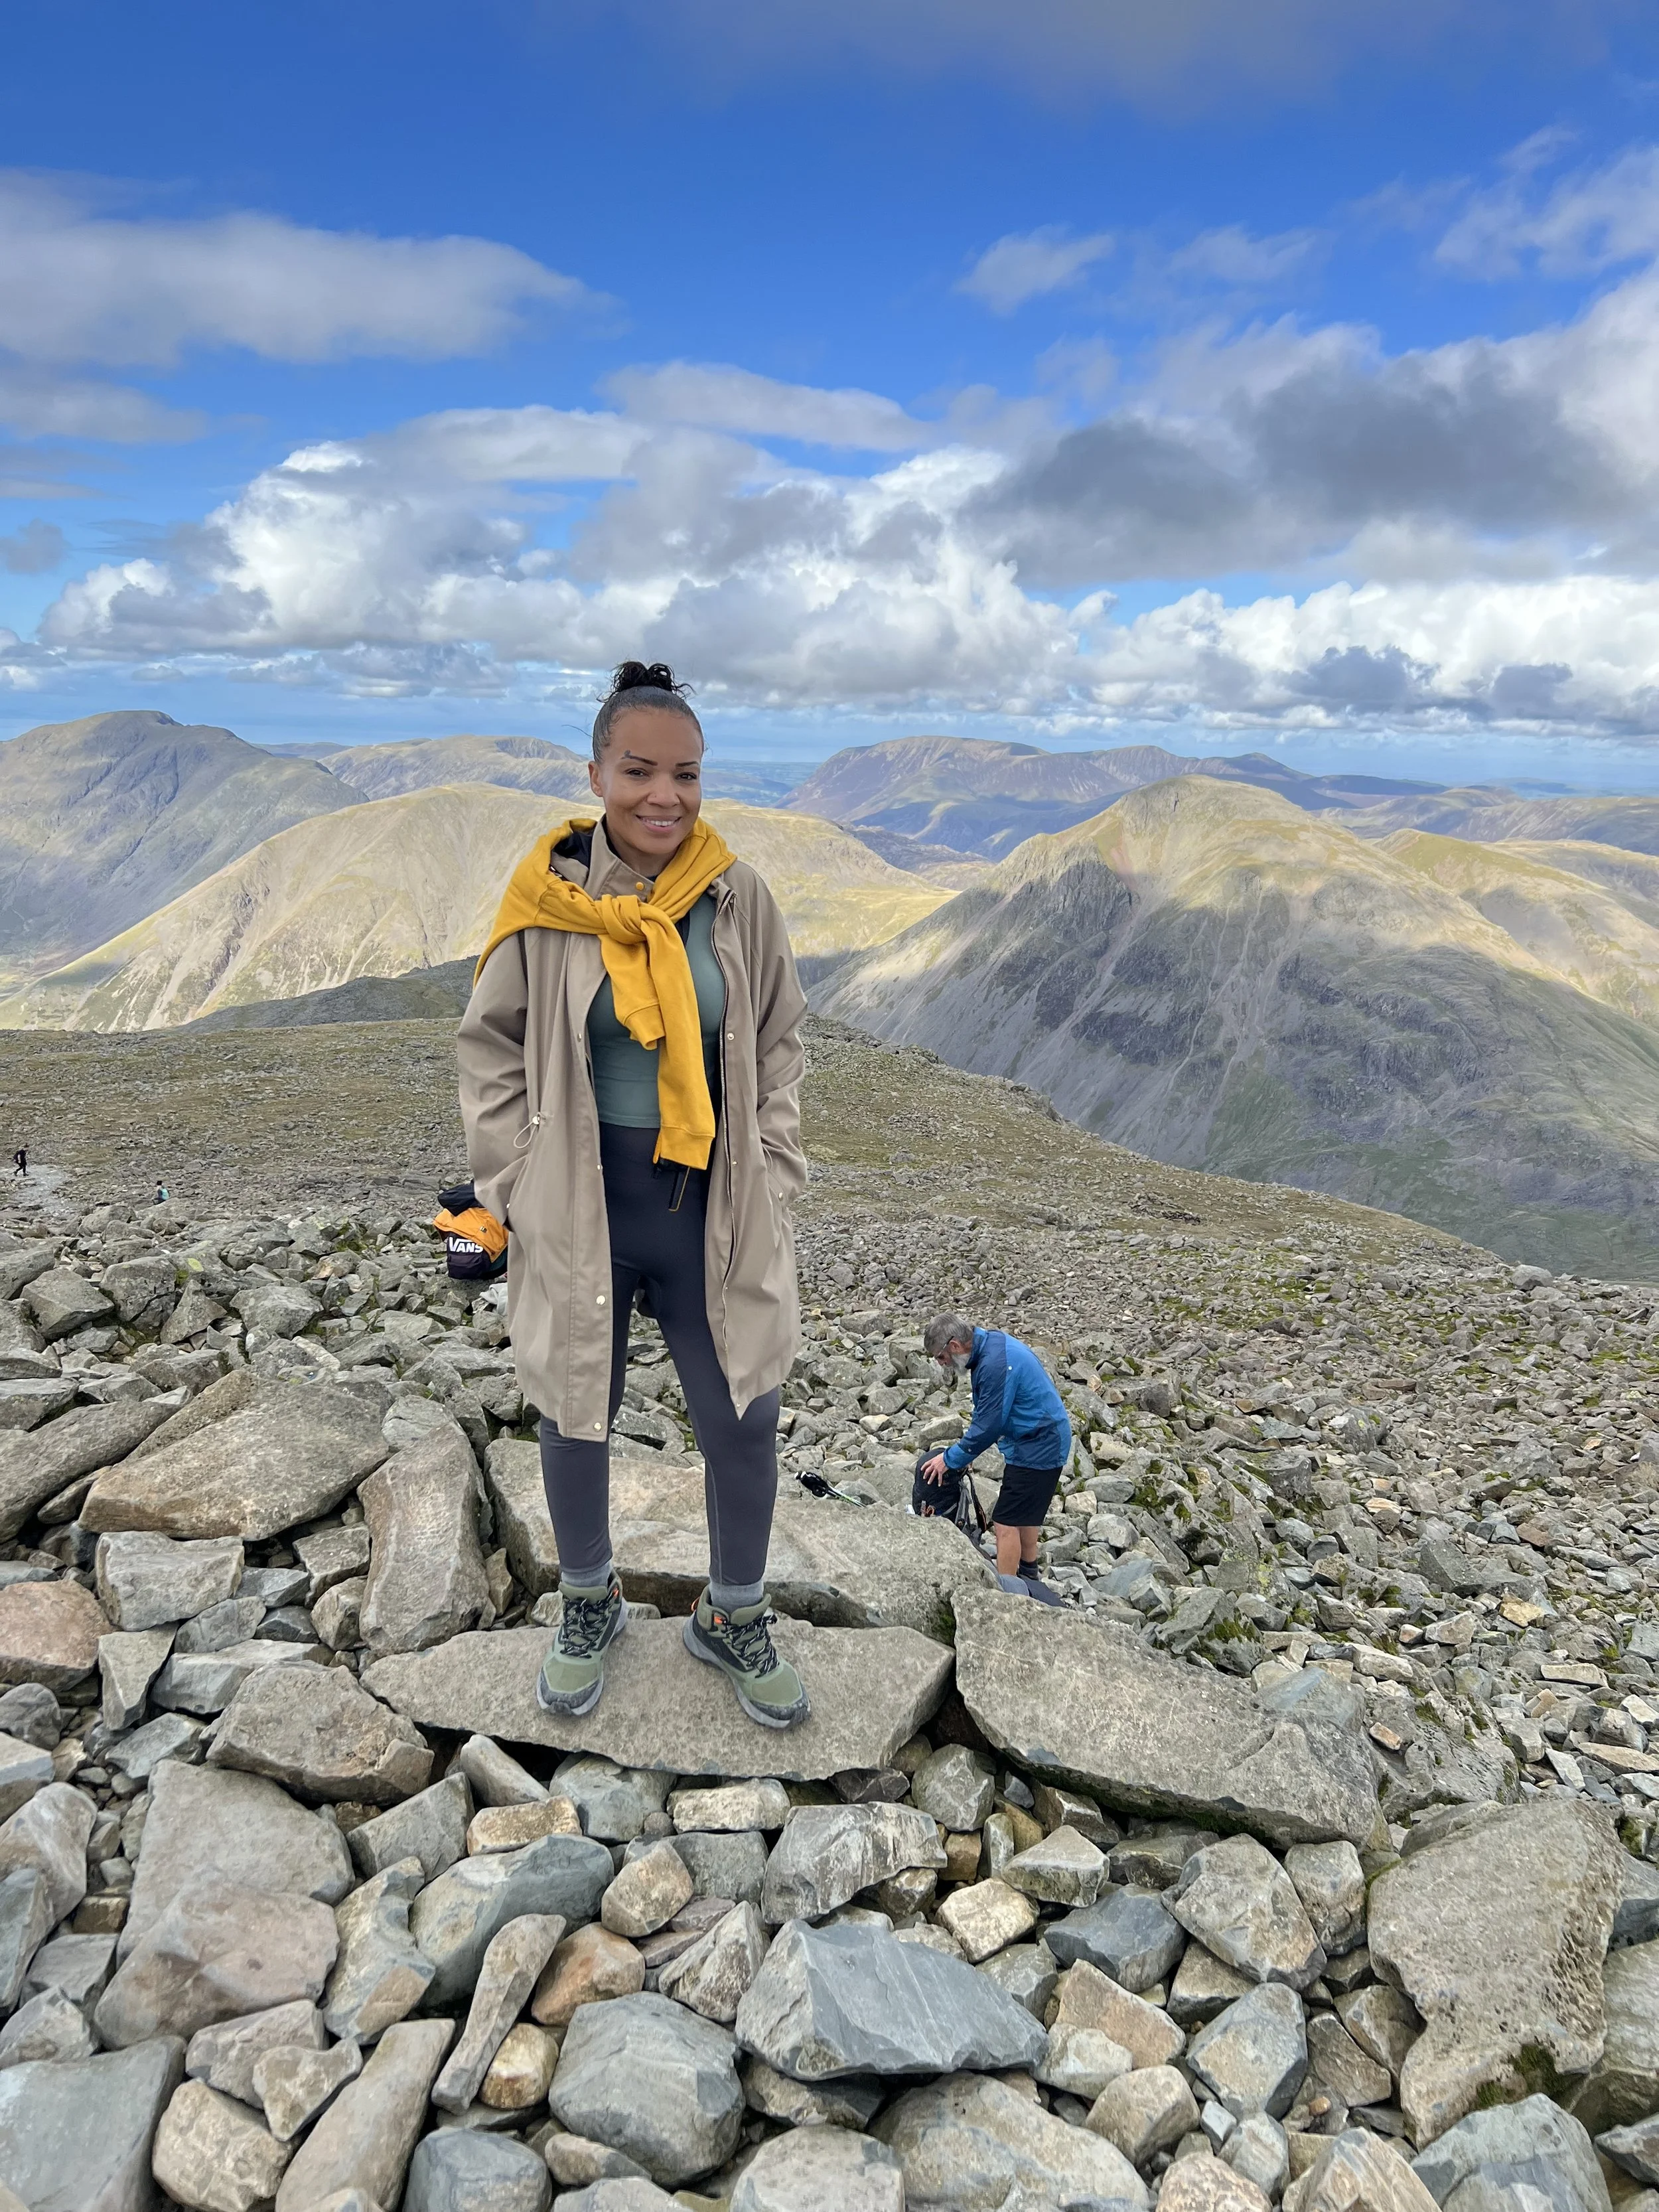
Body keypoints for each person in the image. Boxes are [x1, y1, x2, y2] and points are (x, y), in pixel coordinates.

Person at [458, 660, 810, 1729]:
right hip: (579, 1204)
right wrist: (511, 1179)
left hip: (710, 1206)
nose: (667, 795)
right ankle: (588, 1600)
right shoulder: (547, 904)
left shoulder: (738, 898)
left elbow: (785, 1041)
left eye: (688, 774)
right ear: (599, 771)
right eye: (642, 771)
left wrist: (776, 1163)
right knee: (576, 1411)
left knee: (744, 1412)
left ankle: (732, 1613)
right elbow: (491, 1048)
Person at [918, 1313, 1072, 1603]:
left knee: (1004, 1521)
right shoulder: (990, 1345)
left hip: (1038, 1445)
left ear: (954, 1346)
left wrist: (951, 1459)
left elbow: (989, 1425)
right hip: (1042, 1438)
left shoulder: (994, 1365)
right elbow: (989, 1414)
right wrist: (967, 1454)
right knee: (1024, 1513)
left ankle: (1008, 1598)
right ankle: (1029, 1576)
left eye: (940, 1357)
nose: (941, 1364)